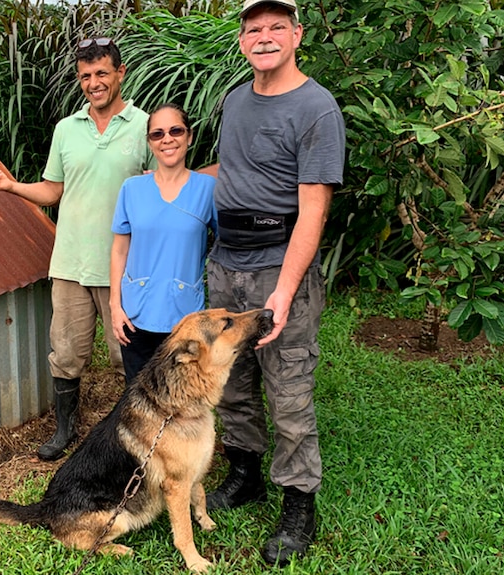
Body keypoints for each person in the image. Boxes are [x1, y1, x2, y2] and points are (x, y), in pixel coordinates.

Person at [200, 0, 345, 567]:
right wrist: (167, 179)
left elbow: (313, 210)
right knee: (232, 380)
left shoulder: (316, 109)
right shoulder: (235, 101)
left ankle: (298, 502)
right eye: (253, 28)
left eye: (276, 27)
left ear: (296, 35)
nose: (264, 37)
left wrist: (283, 290)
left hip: (278, 266)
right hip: (226, 262)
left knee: (287, 389)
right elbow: (231, 173)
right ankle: (245, 474)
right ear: (242, 40)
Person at [0, 38, 155, 461]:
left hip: (125, 268)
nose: (94, 83)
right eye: (86, 76)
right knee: (67, 353)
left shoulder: (145, 125)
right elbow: (53, 191)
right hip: (71, 262)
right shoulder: (66, 129)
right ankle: (65, 429)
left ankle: (136, 435)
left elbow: (159, 192)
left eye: (102, 74)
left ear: (120, 73)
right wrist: (9, 186)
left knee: (126, 355)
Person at [109, 103, 217, 384]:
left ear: (189, 136)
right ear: (149, 142)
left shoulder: (207, 189)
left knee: (182, 396)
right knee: (139, 397)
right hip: (136, 312)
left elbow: (226, 243)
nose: (167, 139)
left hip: (185, 316)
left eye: (175, 131)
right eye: (157, 134)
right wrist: (115, 306)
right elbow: (120, 249)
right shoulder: (131, 189)